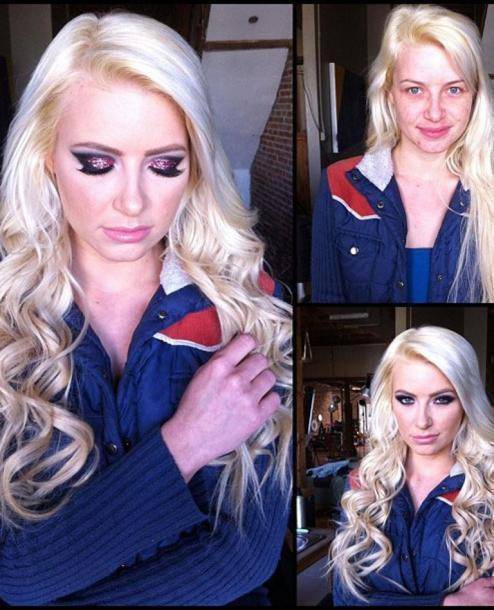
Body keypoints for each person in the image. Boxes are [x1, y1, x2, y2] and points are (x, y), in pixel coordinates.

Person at [0, 11, 292, 606]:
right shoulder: (9, 314)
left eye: (164, 165)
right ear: (46, 155)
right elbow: (13, 573)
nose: (132, 202)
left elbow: (245, 557)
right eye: (97, 163)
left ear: (194, 166)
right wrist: (186, 443)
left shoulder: (251, 305)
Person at [311, 4, 494, 303]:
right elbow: (326, 297)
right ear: (389, 95)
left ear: (474, 96)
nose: (435, 113)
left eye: (454, 89)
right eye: (414, 90)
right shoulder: (338, 185)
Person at [328, 326, 494, 606]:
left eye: (442, 399)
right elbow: (345, 599)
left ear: (467, 402)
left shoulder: (488, 487)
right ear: (389, 401)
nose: (422, 421)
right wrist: (449, 603)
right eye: (406, 399)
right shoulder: (363, 486)